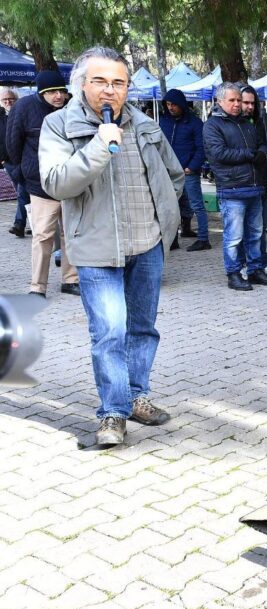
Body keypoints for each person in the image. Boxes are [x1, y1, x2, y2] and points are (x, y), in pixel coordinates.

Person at [39, 46, 185, 445]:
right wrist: (99, 146)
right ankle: (113, 414)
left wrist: (163, 226)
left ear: (127, 88)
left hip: (147, 245)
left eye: (118, 82)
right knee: (109, 332)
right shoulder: (59, 125)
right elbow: (56, 182)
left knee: (143, 329)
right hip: (97, 251)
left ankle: (137, 397)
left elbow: (174, 176)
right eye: (100, 81)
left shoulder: (144, 124)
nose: (110, 90)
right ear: (82, 84)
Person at [6, 70, 78, 296]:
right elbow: (12, 145)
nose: (58, 96)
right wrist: (23, 176)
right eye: (52, 92)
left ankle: (70, 279)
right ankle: (38, 287)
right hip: (40, 185)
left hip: (70, 183)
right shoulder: (24, 108)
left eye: (61, 91)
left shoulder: (71, 109)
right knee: (42, 236)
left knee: (72, 234)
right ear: (41, 93)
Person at [203, 82, 267, 291]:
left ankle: (256, 269)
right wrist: (249, 155)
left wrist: (262, 153)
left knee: (255, 233)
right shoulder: (212, 125)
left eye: (239, 100)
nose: (237, 104)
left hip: (254, 187)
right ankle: (234, 273)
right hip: (232, 189)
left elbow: (261, 144)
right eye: (232, 100)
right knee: (233, 237)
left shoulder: (247, 124)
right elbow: (218, 154)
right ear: (220, 102)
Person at [159, 88, 210, 252]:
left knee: (196, 205)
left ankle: (203, 239)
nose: (171, 107)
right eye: (168, 104)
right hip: (168, 172)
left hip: (188, 172)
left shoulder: (195, 123)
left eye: (174, 104)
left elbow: (202, 148)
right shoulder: (163, 122)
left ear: (181, 104)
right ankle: (173, 239)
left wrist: (192, 167)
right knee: (171, 206)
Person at [240, 85, 267, 277]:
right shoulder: (229, 122)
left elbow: (266, 145)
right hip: (240, 184)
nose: (248, 106)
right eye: (245, 102)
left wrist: (260, 156)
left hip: (261, 182)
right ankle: (241, 265)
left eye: (252, 102)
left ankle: (261, 263)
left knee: (261, 228)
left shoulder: (261, 118)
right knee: (239, 230)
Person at [1, 87, 31, 239]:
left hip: (24, 161)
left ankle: (19, 224)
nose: (8, 102)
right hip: (8, 162)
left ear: (16, 99)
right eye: (5, 100)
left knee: (22, 191)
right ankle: (34, 222)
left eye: (10, 99)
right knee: (26, 193)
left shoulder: (22, 114)